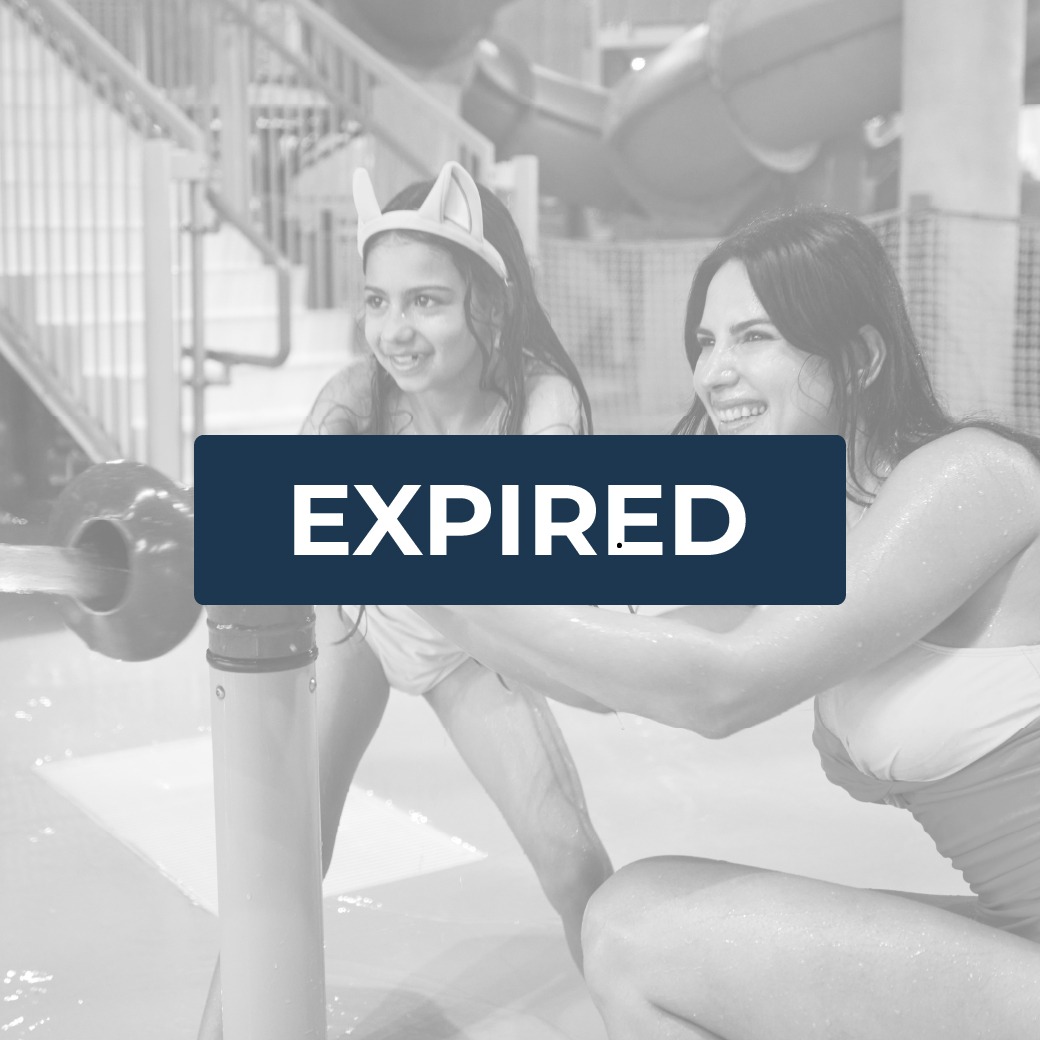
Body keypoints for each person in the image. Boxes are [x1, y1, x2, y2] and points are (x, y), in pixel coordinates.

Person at [410, 209, 1040, 1039]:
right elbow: (606, 680)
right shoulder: (809, 526)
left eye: (754, 337)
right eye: (706, 342)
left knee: (635, 934)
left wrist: (426, 571)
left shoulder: (970, 477)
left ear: (859, 357)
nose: (715, 373)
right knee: (635, 907)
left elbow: (721, 688)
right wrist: (427, 588)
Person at [195, 162, 612, 1040]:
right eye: (376, 301)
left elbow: (534, 541)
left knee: (571, 860)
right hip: (365, 619)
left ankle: (643, 1011)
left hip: (476, 645)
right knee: (285, 846)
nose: (394, 330)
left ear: (487, 305)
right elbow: (289, 525)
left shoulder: (541, 402)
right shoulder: (355, 398)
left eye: (425, 301)